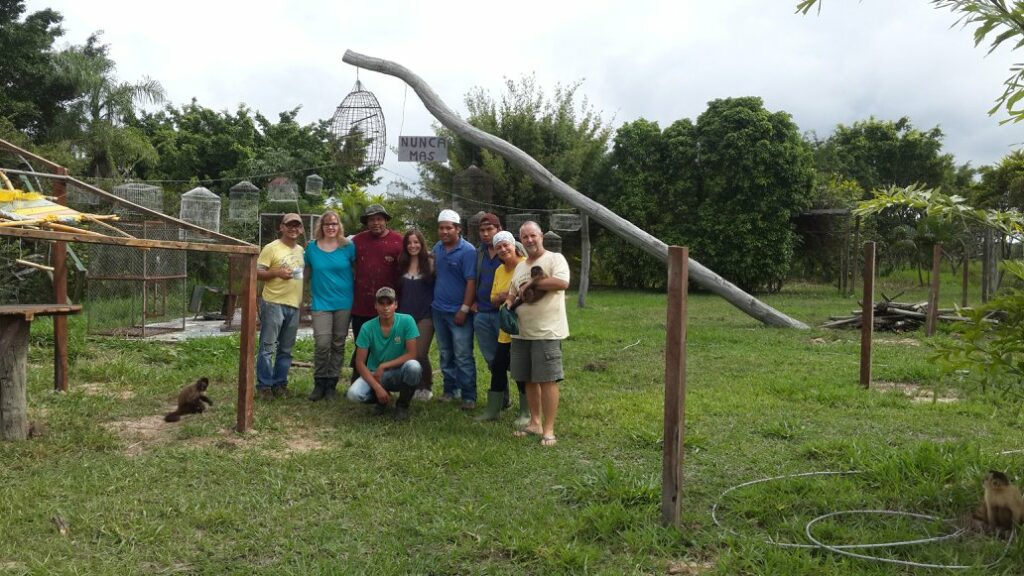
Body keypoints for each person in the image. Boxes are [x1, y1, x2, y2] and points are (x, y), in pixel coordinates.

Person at [507, 221, 570, 446]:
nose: (529, 240)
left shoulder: (555, 259)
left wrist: (531, 285)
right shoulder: (520, 266)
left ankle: (549, 430)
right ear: (520, 240)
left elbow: (562, 282)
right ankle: (535, 423)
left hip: (547, 331)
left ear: (541, 236)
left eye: (533, 235)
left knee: (548, 380)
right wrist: (508, 302)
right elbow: (513, 291)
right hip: (521, 332)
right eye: (525, 237)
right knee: (528, 380)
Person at [345, 287, 421, 421]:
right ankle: (382, 400)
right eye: (381, 303)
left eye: (389, 303)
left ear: (396, 305)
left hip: (399, 372)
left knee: (414, 366)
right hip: (376, 375)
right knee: (353, 394)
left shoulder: (407, 321)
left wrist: (384, 365)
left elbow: (412, 354)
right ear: (375, 306)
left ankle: (402, 405)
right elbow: (360, 363)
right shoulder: (367, 327)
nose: (385, 307)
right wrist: (377, 387)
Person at [476, 230, 528, 423]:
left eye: (506, 245)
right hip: (505, 328)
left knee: (520, 368)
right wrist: (506, 295)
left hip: (523, 327)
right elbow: (493, 299)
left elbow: (525, 293)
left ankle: (525, 412)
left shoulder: (525, 264)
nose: (503, 249)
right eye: (499, 247)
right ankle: (493, 409)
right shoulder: (499, 270)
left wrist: (505, 295)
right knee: (498, 366)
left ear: (513, 245)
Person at [304, 209, 356, 401]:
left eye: (334, 224)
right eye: (327, 224)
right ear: (321, 226)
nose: (331, 227)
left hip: (344, 302)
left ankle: (331, 384)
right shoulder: (311, 248)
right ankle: (319, 383)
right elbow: (304, 273)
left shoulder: (348, 247)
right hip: (321, 302)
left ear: (339, 226)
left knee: (338, 344)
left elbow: (357, 270)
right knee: (322, 343)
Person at [349, 203, 404, 378]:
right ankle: (359, 380)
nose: (375, 223)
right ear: (366, 222)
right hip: (362, 304)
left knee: (387, 346)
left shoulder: (398, 241)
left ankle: (386, 380)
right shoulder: (357, 241)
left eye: (379, 219)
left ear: (386, 220)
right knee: (362, 344)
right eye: (371, 220)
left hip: (388, 306)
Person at [431, 209, 478, 410]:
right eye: (441, 228)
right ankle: (450, 390)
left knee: (463, 355)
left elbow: (471, 282)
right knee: (445, 353)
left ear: (458, 229)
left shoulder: (468, 251)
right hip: (438, 310)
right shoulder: (438, 248)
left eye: (449, 228)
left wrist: (464, 309)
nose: (444, 232)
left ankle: (469, 396)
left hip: (459, 312)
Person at [255, 212, 305, 399]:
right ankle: (264, 386)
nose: (293, 228)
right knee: (268, 347)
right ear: (281, 227)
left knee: (286, 349)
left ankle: (280, 384)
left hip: (293, 305)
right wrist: (276, 272)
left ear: (301, 229)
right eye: (289, 225)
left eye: (297, 225)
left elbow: (299, 277)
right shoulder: (271, 247)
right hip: (273, 303)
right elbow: (257, 271)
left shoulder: (301, 251)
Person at [397, 229, 436, 401]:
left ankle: (425, 386)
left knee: (420, 353)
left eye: (416, 242)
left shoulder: (431, 262)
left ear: (421, 243)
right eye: (409, 243)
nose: (413, 246)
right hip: (404, 316)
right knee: (406, 352)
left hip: (425, 315)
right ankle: (409, 384)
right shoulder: (401, 263)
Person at [472, 213, 503, 401]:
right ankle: (502, 396)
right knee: (491, 359)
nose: (485, 234)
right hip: (482, 313)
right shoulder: (479, 252)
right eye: (482, 230)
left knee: (512, 358)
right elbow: (472, 278)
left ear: (499, 229)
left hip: (504, 313)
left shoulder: (511, 248)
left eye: (489, 229)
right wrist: (472, 301)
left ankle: (526, 399)